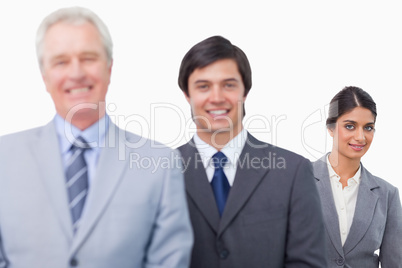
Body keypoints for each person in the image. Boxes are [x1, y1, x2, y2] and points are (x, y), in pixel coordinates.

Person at [0, 7, 193, 268]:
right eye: (61, 61)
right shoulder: (5, 158)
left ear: (109, 68)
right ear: (44, 77)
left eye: (88, 58)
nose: (76, 72)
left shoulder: (160, 163)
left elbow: (169, 261)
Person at [177, 35, 327, 268]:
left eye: (229, 85)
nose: (216, 98)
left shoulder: (293, 172)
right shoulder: (160, 172)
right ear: (187, 94)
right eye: (203, 86)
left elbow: (308, 263)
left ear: (245, 91)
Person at [313, 86, 402, 267]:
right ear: (330, 128)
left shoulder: (388, 195)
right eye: (350, 126)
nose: (360, 137)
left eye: (368, 128)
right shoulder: (296, 181)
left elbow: (394, 263)